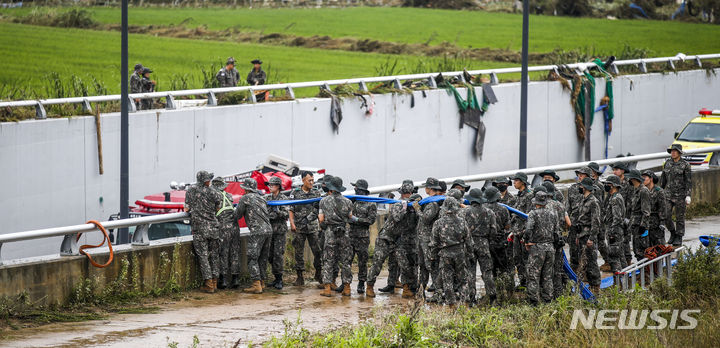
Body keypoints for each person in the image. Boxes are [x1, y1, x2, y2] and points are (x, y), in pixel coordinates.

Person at [366, 182, 418, 298]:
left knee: (403, 265)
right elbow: (397, 217)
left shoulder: (413, 208)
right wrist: (405, 207)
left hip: (398, 240)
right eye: (406, 194)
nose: (407, 195)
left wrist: (416, 209)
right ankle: (369, 286)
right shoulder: (397, 204)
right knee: (377, 264)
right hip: (385, 238)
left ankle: (405, 289)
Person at [184, 170, 222, 293]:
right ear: (207, 180)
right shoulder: (214, 192)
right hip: (213, 227)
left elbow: (186, 208)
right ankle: (215, 282)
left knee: (203, 256)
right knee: (215, 255)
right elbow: (218, 207)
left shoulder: (191, 190)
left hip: (199, 229)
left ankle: (208, 283)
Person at [318, 176, 356, 297]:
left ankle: (328, 288)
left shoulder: (323, 201)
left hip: (330, 233)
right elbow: (351, 217)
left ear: (331, 188)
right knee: (345, 261)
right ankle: (347, 288)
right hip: (344, 232)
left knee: (328, 260)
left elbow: (321, 219)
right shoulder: (348, 202)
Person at [235, 178, 272, 294]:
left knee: (252, 258)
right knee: (262, 257)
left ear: (246, 189)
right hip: (268, 230)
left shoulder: (245, 198)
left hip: (257, 231)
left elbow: (237, 215)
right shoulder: (262, 198)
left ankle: (256, 284)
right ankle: (262, 282)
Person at [429, 197, 469, 305]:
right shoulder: (462, 222)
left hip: (445, 254)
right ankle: (464, 302)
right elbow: (468, 239)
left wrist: (432, 256)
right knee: (462, 279)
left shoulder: (438, 223)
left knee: (447, 280)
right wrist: (469, 254)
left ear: (445, 209)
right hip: (460, 253)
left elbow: (434, 242)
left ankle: (450, 303)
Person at [288, 171, 323, 286]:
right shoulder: (295, 193)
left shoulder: (316, 193)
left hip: (313, 227)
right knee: (298, 252)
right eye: (309, 180)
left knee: (317, 251)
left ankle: (318, 273)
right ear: (303, 180)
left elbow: (319, 210)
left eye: (313, 180)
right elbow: (291, 209)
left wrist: (320, 225)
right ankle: (300, 277)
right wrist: (292, 223)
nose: (312, 182)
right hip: (299, 227)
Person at [463, 188, 497, 304]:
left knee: (470, 272)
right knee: (487, 271)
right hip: (484, 243)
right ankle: (492, 297)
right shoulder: (489, 212)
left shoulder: (465, 212)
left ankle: (471, 299)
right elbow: (493, 231)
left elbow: (462, 230)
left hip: (469, 244)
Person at [524, 192, 558, 305]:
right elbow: (557, 233)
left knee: (533, 275)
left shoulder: (533, 214)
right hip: (550, 248)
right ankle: (548, 300)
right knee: (547, 276)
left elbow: (528, 230)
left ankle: (534, 301)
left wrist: (526, 241)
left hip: (537, 248)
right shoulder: (553, 214)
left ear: (536, 202)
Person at [541, 182, 570, 299]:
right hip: (558, 240)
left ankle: (547, 296)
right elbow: (568, 223)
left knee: (546, 270)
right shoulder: (560, 205)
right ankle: (559, 296)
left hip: (545, 242)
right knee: (558, 270)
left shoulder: (541, 205)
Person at [348, 179, 377, 294]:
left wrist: (356, 219)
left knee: (362, 261)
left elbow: (370, 220)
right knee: (347, 260)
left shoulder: (371, 203)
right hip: (351, 235)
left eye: (356, 188)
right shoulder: (352, 202)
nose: (354, 190)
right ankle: (346, 282)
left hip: (362, 237)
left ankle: (361, 283)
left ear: (361, 190)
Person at [211, 177, 241, 290]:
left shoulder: (214, 196)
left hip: (223, 227)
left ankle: (222, 280)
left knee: (223, 253)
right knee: (235, 252)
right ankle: (235, 279)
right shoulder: (229, 196)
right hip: (234, 226)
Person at [414, 177, 443, 293]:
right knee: (422, 265)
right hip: (422, 238)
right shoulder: (428, 201)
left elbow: (426, 219)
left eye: (426, 187)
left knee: (430, 265)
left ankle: (438, 291)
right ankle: (421, 288)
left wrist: (417, 209)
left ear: (430, 188)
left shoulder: (433, 203)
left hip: (427, 239)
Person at [660, 144, 692, 246]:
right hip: (668, 194)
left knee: (680, 218)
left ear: (679, 153)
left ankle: (679, 236)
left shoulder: (685, 165)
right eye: (672, 151)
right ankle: (673, 233)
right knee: (666, 215)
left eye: (675, 151)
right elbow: (663, 180)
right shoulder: (667, 163)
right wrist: (660, 191)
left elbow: (688, 181)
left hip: (680, 195)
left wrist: (688, 195)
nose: (673, 153)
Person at [575, 177, 602, 293]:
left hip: (588, 236)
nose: (580, 188)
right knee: (583, 261)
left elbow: (596, 222)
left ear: (585, 187)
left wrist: (591, 238)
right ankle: (588, 285)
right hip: (581, 235)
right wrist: (577, 236)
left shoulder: (593, 202)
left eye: (581, 186)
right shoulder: (583, 200)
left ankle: (595, 286)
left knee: (592, 262)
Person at [265, 176, 290, 290]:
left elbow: (286, 214)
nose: (270, 187)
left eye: (272, 185)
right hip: (270, 230)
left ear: (278, 187)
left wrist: (277, 212)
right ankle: (275, 278)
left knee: (278, 255)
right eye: (269, 185)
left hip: (280, 230)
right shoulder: (267, 198)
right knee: (270, 255)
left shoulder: (283, 198)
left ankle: (279, 279)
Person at [483, 186, 512, 282]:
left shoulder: (483, 209)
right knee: (504, 267)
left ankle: (492, 290)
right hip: (500, 242)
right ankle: (506, 289)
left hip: (486, 242)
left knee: (489, 268)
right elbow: (507, 226)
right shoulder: (503, 209)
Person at [566, 166, 593, 271]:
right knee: (573, 248)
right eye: (579, 174)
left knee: (585, 251)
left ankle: (586, 272)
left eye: (582, 174)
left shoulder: (593, 189)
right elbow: (568, 206)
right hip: (574, 222)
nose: (579, 176)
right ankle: (575, 270)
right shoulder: (573, 188)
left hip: (586, 224)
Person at [510, 172, 533, 289]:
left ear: (522, 182)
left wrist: (525, 233)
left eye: (516, 180)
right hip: (516, 232)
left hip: (524, 233)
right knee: (517, 259)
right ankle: (523, 283)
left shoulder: (529, 196)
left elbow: (529, 216)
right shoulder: (518, 196)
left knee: (526, 259)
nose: (514, 182)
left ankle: (529, 283)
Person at [602, 175, 626, 273]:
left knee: (614, 257)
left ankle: (620, 279)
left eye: (609, 184)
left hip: (614, 232)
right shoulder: (614, 197)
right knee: (620, 255)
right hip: (615, 231)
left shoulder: (615, 199)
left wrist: (612, 233)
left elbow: (617, 218)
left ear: (614, 186)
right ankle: (627, 276)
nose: (606, 186)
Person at [611, 162, 634, 266]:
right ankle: (621, 262)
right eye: (614, 170)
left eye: (617, 169)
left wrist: (628, 217)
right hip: (616, 215)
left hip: (625, 216)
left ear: (622, 171)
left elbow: (630, 201)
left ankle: (628, 262)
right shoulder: (613, 183)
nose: (614, 172)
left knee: (625, 240)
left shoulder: (628, 184)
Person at [627, 169, 650, 262]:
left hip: (640, 225)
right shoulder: (635, 190)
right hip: (634, 224)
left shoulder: (643, 191)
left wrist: (643, 225)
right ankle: (642, 273)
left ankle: (646, 274)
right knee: (637, 251)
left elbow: (646, 211)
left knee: (642, 251)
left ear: (634, 179)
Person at [643, 170, 668, 247]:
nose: (643, 179)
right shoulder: (643, 191)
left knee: (659, 246)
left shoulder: (659, 191)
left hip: (656, 222)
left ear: (651, 179)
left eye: (645, 177)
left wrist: (662, 222)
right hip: (646, 223)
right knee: (648, 247)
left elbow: (662, 207)